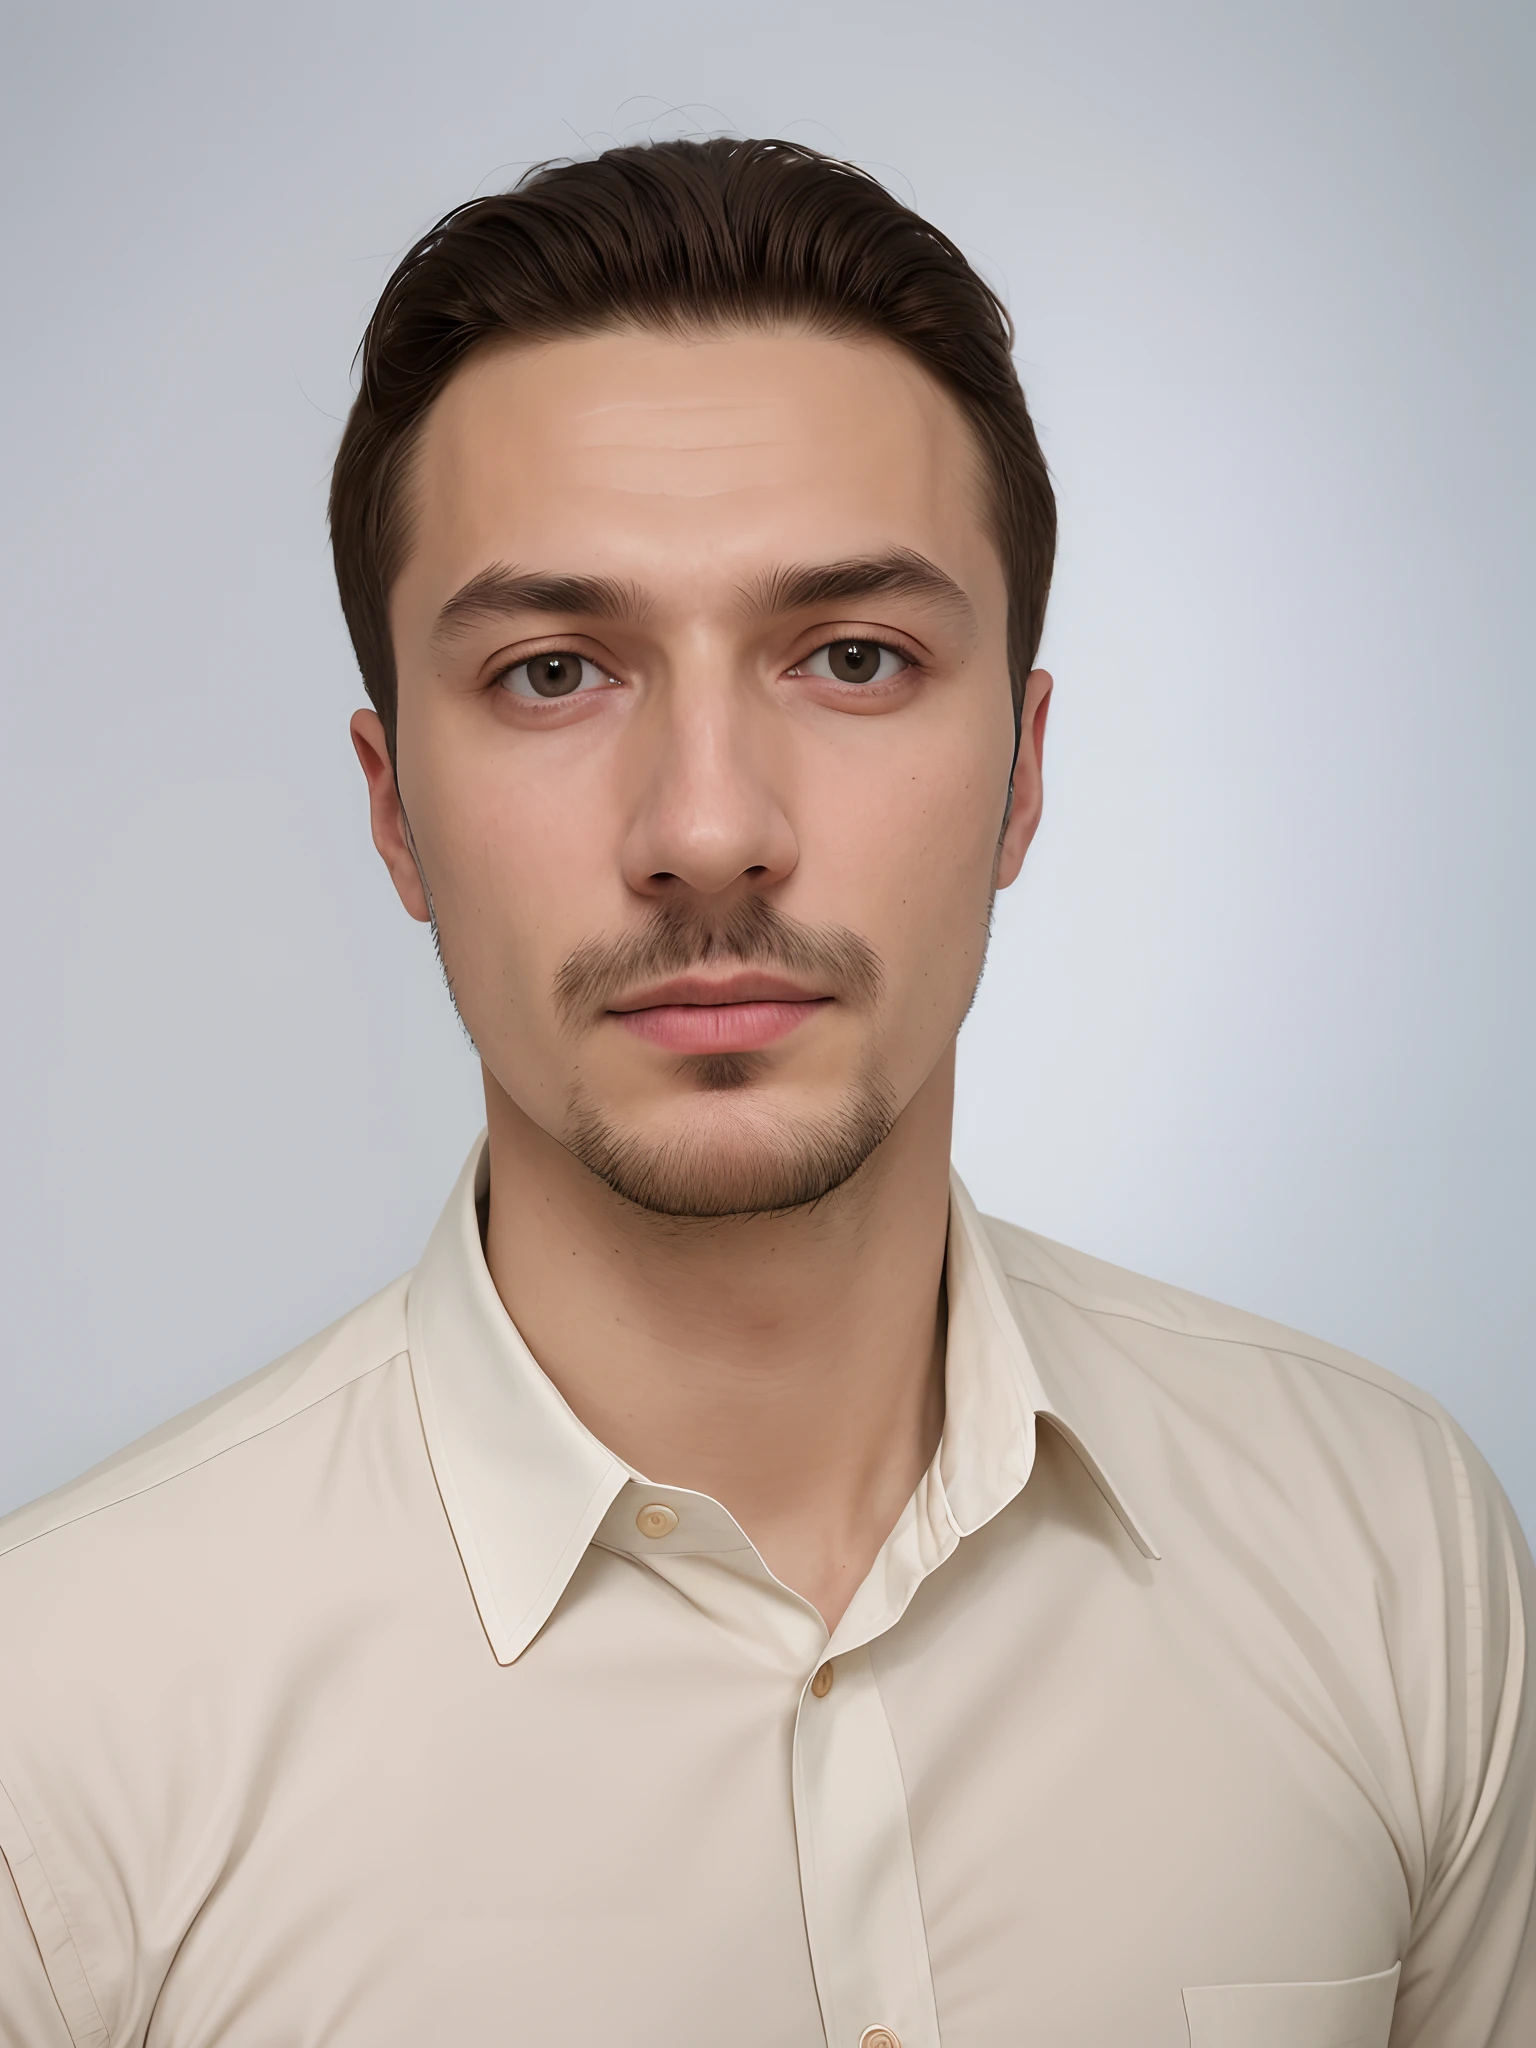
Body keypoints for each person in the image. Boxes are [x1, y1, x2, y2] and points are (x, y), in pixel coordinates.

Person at [0, 137, 1530, 2048]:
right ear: (394, 810)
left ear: (1022, 773)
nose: (709, 831)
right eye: (556, 671)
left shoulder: (1391, 1552)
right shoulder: (47, 1730)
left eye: (855, 657)